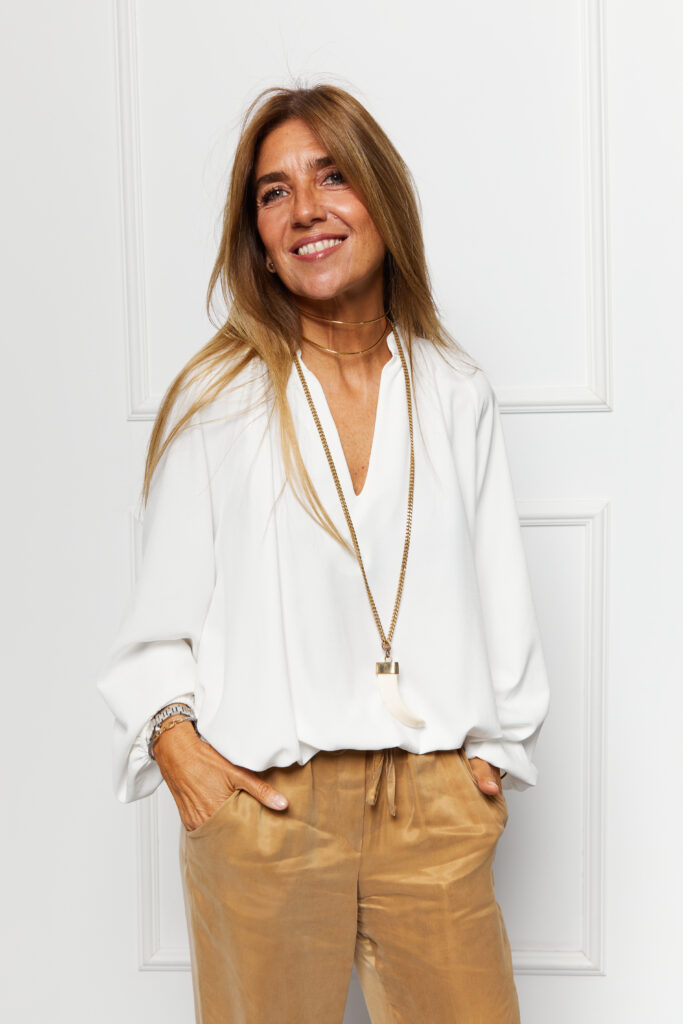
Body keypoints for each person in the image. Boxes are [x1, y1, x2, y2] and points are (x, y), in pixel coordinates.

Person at [96, 83, 550, 1023]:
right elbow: (158, 621)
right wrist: (179, 751)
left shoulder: (454, 391)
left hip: (431, 802)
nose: (305, 208)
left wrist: (489, 760)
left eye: (332, 176)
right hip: (267, 811)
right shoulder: (220, 399)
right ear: (258, 238)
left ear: (381, 197)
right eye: (274, 192)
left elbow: (500, 591)